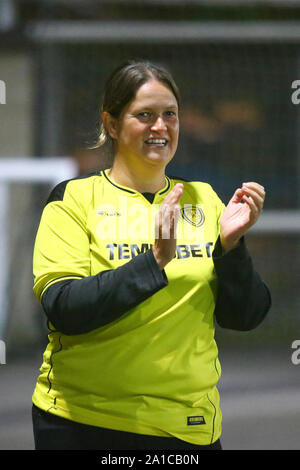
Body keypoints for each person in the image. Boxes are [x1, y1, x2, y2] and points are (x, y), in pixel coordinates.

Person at [31, 59, 271, 451]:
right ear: (111, 124)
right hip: (85, 420)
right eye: (145, 115)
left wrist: (231, 249)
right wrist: (153, 261)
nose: (160, 127)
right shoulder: (74, 199)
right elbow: (65, 308)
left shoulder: (204, 199)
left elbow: (245, 317)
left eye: (170, 115)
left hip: (187, 425)